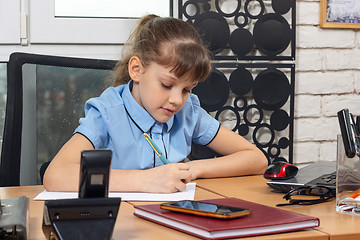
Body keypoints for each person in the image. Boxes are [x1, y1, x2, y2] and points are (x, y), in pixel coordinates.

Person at [43, 14, 268, 193]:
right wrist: (145, 181)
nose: (177, 100)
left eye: (187, 89)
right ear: (137, 70)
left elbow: (256, 159)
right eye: (167, 85)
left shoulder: (188, 112)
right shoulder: (108, 112)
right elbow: (55, 175)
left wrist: (191, 169)